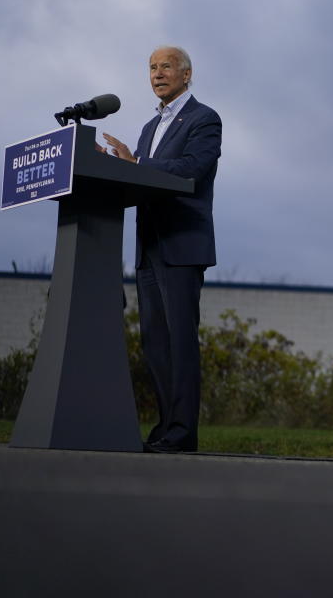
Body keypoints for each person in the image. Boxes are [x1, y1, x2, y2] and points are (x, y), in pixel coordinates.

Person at [100, 46, 222, 453]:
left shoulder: (205, 119)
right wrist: (109, 167)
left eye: (166, 66)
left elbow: (191, 168)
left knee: (180, 342)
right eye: (152, 67)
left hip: (181, 245)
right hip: (148, 246)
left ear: (187, 75)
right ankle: (166, 427)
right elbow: (141, 178)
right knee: (155, 343)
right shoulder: (150, 129)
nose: (157, 73)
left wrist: (134, 164)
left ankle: (183, 432)